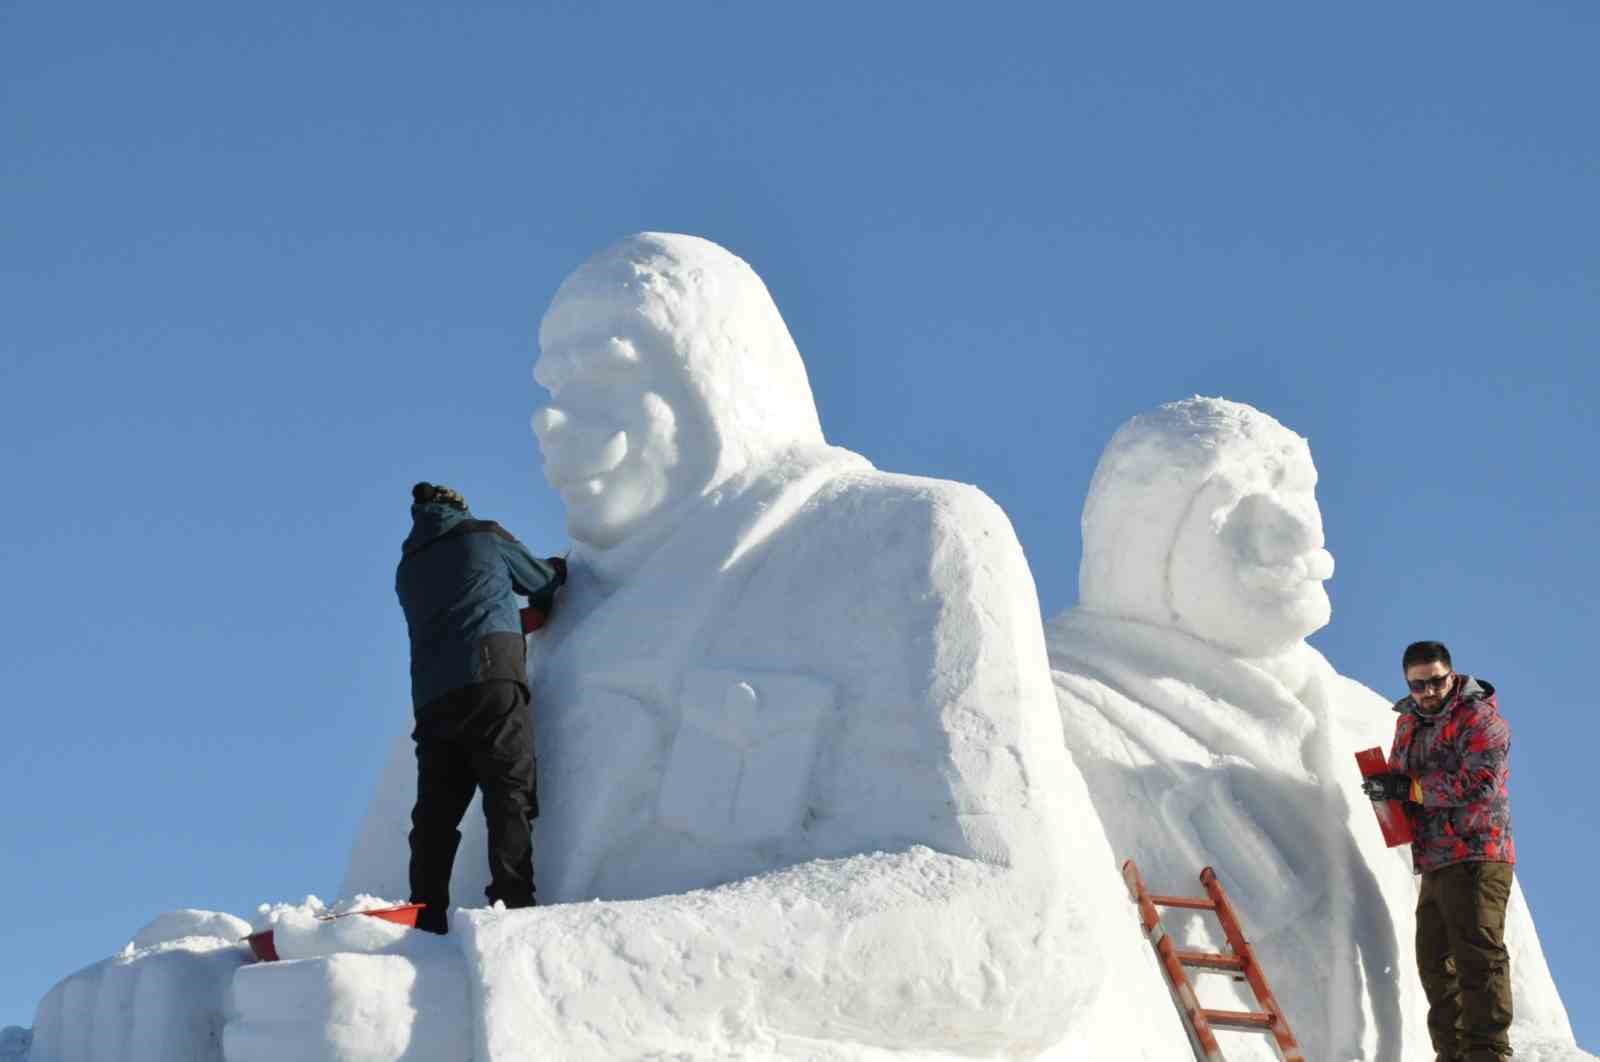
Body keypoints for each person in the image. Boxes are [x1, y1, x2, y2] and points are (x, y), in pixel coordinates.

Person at [396, 481, 566, 934]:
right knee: (508, 790)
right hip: (491, 679)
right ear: (458, 508)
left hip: (432, 698)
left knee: (436, 811)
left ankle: (425, 913)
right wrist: (554, 583)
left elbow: (457, 610)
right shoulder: (482, 534)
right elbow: (540, 579)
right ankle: (512, 898)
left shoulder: (407, 569)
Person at [1362, 640, 1515, 1061]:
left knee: (1477, 955)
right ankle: (1452, 1053)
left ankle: (1487, 1052)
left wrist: (1412, 788)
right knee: (1434, 961)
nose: (1429, 691)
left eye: (1436, 681)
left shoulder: (1480, 718)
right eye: (1418, 685)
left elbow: (1481, 781)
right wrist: (1387, 790)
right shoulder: (1408, 723)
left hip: (1478, 852)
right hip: (1435, 857)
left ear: (1451, 675)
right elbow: (1402, 775)